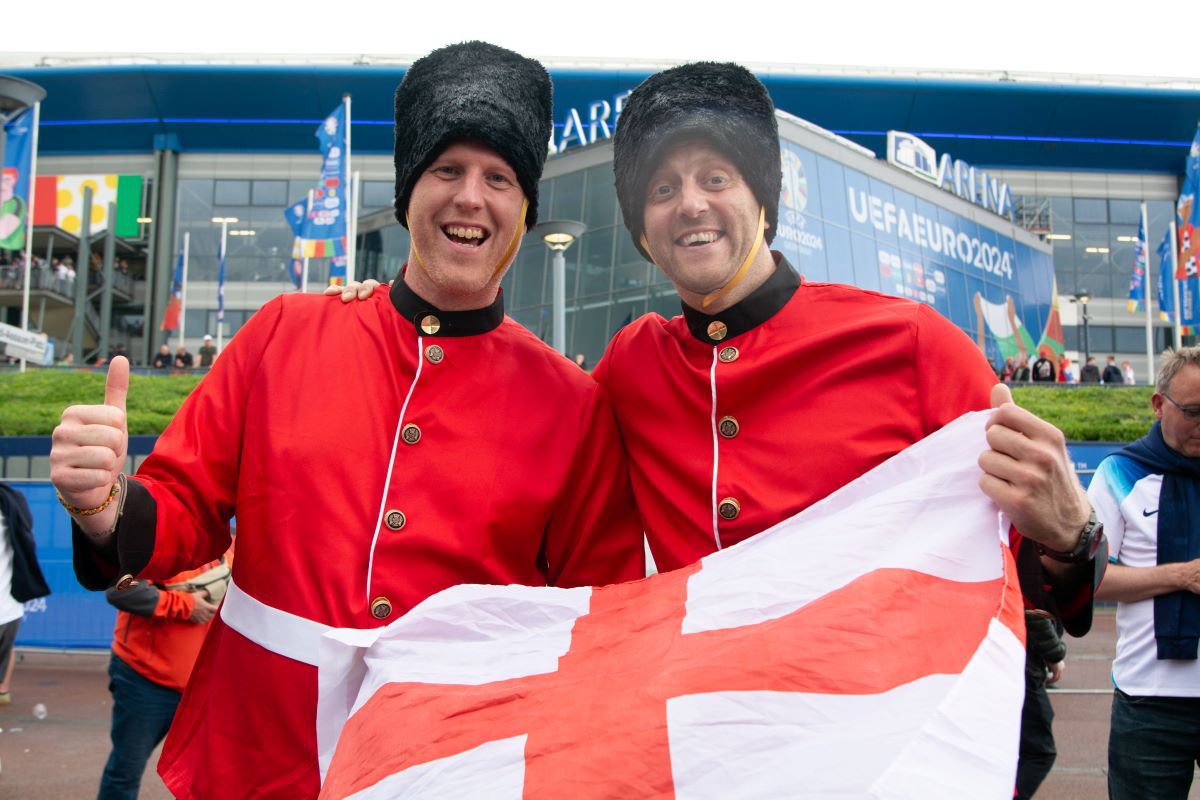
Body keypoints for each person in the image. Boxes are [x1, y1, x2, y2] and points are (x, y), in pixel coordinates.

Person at [50, 41, 643, 799]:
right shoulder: (285, 332)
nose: (471, 197)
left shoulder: (575, 405)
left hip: (455, 764)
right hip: (259, 753)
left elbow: (599, 618)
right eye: (446, 170)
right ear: (408, 193)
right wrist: (103, 509)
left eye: (500, 178)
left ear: (524, 211)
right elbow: (188, 503)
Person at [1091, 346, 1200, 800]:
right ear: (1159, 404)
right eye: (1194, 411)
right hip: (1151, 700)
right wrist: (1181, 577)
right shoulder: (1120, 472)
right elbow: (1091, 580)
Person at [97, 550, 230, 800]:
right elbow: (121, 587)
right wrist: (185, 605)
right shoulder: (149, 540)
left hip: (205, 686)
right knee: (125, 771)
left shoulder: (230, 542)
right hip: (146, 681)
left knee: (210, 777)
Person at [0, 481, 51, 706]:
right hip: (9, 606)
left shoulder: (9, 501)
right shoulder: (11, 500)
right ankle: (3, 689)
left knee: (7, 649)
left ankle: (3, 689)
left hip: (8, 606)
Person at [1015, 608, 1067, 800]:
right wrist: (1054, 652)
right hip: (1023, 663)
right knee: (1038, 752)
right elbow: (1031, 608)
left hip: (1015, 660)